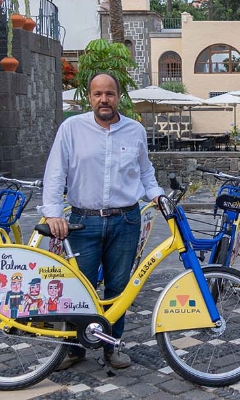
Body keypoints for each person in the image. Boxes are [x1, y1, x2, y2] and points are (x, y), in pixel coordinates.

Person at [42, 72, 163, 371]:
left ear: (118, 96)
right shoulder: (72, 128)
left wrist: (158, 195)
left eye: (109, 93)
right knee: (78, 288)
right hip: (83, 222)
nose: (104, 99)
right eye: (98, 94)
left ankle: (112, 346)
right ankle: (73, 348)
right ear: (89, 97)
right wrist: (53, 212)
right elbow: (55, 172)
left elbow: (145, 172)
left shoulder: (135, 131)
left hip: (126, 220)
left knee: (118, 288)